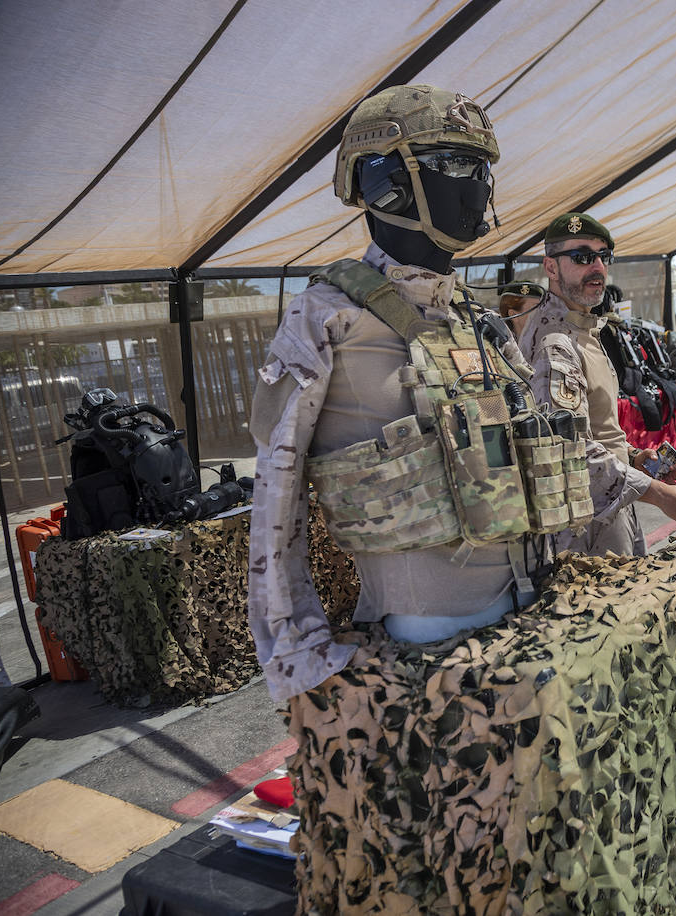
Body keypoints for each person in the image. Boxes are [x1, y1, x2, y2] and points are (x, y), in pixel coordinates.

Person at [247, 84, 598, 907]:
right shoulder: (326, 318)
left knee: (527, 861)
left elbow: (531, 456)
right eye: (452, 164)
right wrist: (298, 656)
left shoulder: (474, 319)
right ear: (383, 185)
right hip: (420, 652)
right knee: (444, 869)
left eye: (480, 167)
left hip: (514, 633)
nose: (477, 186)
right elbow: (274, 502)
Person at [518, 211, 676, 557]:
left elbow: (594, 429)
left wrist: (633, 457)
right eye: (582, 257)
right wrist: (659, 494)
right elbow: (568, 449)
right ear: (551, 268)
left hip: (612, 499)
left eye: (603, 256)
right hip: (584, 524)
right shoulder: (555, 342)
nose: (597, 266)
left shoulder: (582, 329)